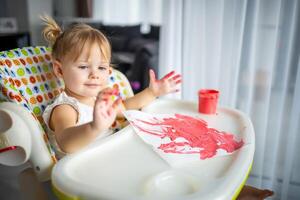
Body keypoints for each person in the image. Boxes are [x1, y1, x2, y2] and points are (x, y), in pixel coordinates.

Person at [40, 16, 181, 158]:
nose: (94, 74)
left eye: (101, 67)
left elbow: (125, 106)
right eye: (83, 66)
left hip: (109, 156)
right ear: (59, 70)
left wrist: (152, 92)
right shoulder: (66, 108)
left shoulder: (99, 98)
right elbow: (66, 143)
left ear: (108, 71)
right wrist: (94, 127)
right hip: (82, 170)